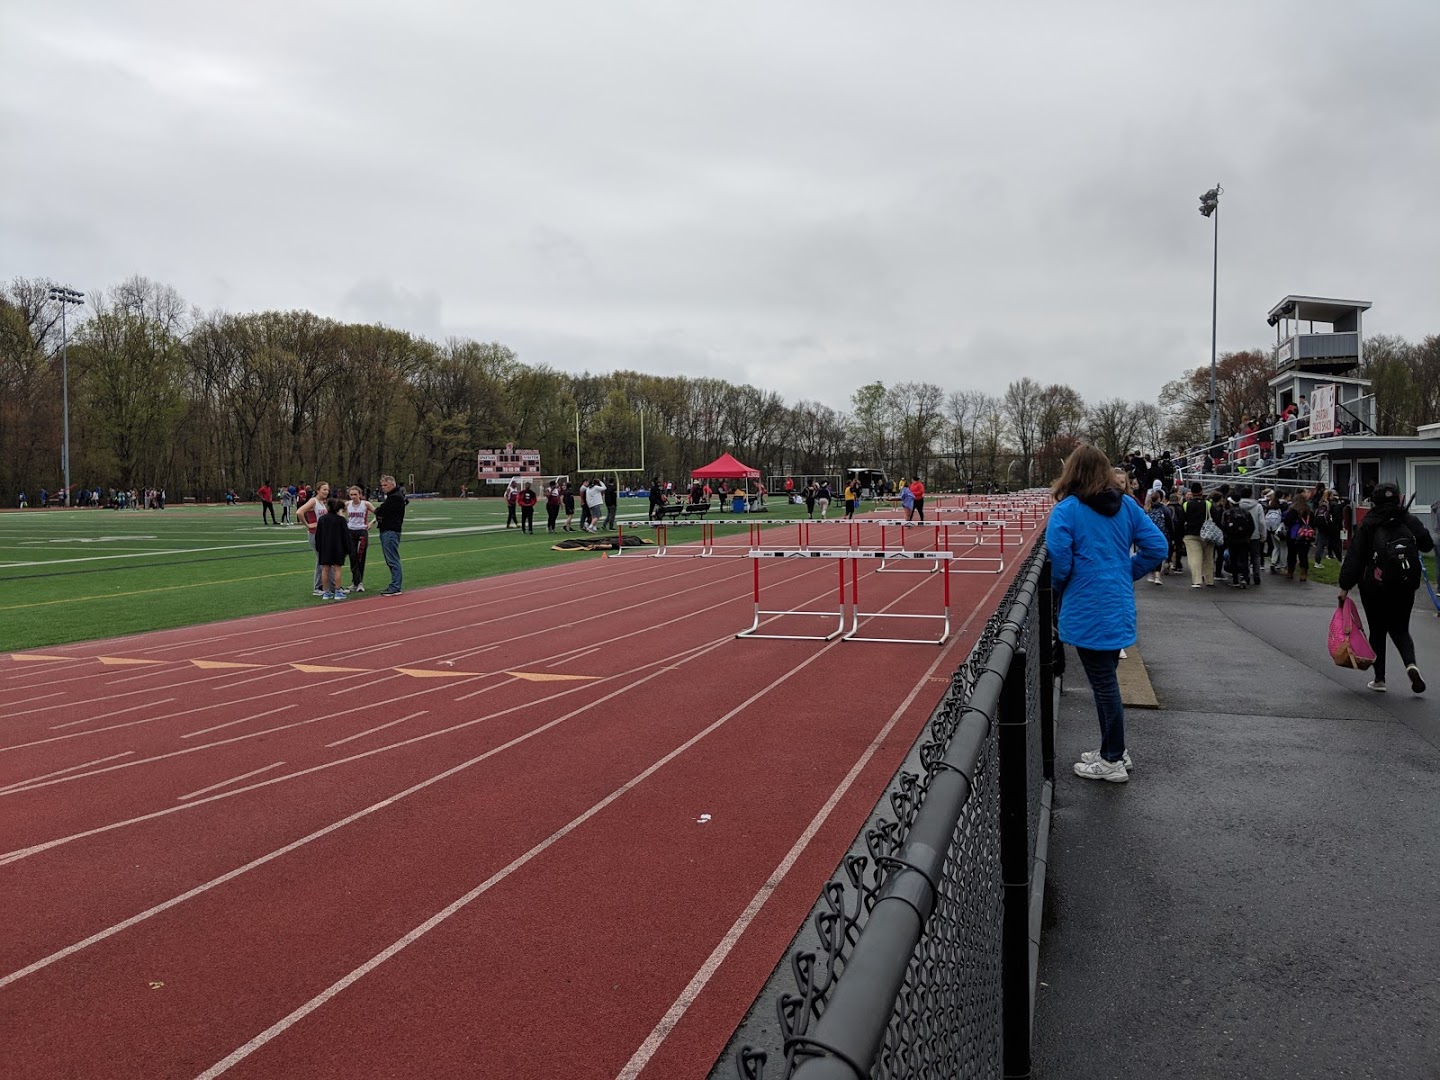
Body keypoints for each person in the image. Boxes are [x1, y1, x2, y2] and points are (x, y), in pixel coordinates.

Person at [1047, 445, 1168, 783]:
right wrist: (1124, 572)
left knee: (1103, 685)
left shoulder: (1067, 510)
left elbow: (1059, 562)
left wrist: (1065, 585)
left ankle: (1112, 757)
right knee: (1106, 679)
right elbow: (1157, 547)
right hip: (1117, 602)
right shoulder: (1126, 505)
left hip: (1087, 605)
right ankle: (1113, 749)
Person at [1339, 482, 1434, 693]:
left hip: (1374, 587)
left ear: (1375, 500)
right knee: (1400, 629)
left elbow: (1355, 557)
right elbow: (1427, 544)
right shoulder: (1407, 520)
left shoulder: (1368, 523)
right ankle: (1410, 664)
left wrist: (1345, 586)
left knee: (1378, 630)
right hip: (1405, 584)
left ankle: (1379, 679)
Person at [297, 481, 333, 596]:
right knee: (323, 561)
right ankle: (327, 587)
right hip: (315, 534)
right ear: (318, 490)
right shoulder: (313, 501)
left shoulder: (322, 502)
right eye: (324, 489)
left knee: (320, 560)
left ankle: (320, 587)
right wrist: (308, 525)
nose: (326, 492)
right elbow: (299, 512)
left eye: (327, 490)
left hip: (323, 534)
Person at [374, 474, 407, 595]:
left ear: (392, 484)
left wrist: (377, 511)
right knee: (392, 559)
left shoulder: (395, 497)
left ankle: (395, 586)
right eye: (382, 485)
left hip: (390, 530)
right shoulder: (395, 496)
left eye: (385, 485)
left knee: (392, 559)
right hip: (389, 530)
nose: (383, 487)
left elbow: (381, 511)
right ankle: (395, 585)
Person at [315, 496, 352, 600]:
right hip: (338, 548)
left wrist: (319, 548)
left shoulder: (322, 519)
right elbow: (346, 536)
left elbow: (318, 536)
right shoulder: (341, 520)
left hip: (325, 548)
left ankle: (326, 592)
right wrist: (347, 549)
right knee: (337, 569)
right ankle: (338, 591)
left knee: (325, 569)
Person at [1180, 481, 1214, 588]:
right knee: (1208, 558)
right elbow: (1216, 518)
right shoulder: (1208, 504)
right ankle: (1209, 579)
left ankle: (1196, 580)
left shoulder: (1186, 505)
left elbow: (1181, 521)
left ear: (1191, 492)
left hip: (1191, 534)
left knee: (1194, 558)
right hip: (1207, 534)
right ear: (1201, 491)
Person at [343, 485, 373, 592]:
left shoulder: (366, 504)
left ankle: (359, 583)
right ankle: (355, 582)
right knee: (352, 557)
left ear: (360, 494)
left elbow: (378, 513)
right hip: (350, 532)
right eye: (351, 495)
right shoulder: (347, 504)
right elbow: (339, 512)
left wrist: (371, 522)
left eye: (355, 494)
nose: (353, 497)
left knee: (360, 557)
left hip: (362, 532)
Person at [1282, 491, 1316, 581]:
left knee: (1291, 554)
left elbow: (1287, 522)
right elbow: (1312, 523)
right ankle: (1303, 573)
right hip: (1305, 536)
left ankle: (1290, 571)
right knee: (1303, 555)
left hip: (1293, 536)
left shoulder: (1292, 511)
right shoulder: (1309, 511)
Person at [1143, 489, 1169, 585]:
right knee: (1158, 554)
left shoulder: (1146, 509)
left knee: (1150, 554)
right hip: (1160, 535)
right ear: (1160, 499)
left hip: (1148, 535)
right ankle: (1157, 576)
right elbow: (1169, 523)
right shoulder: (1163, 509)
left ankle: (1150, 573)